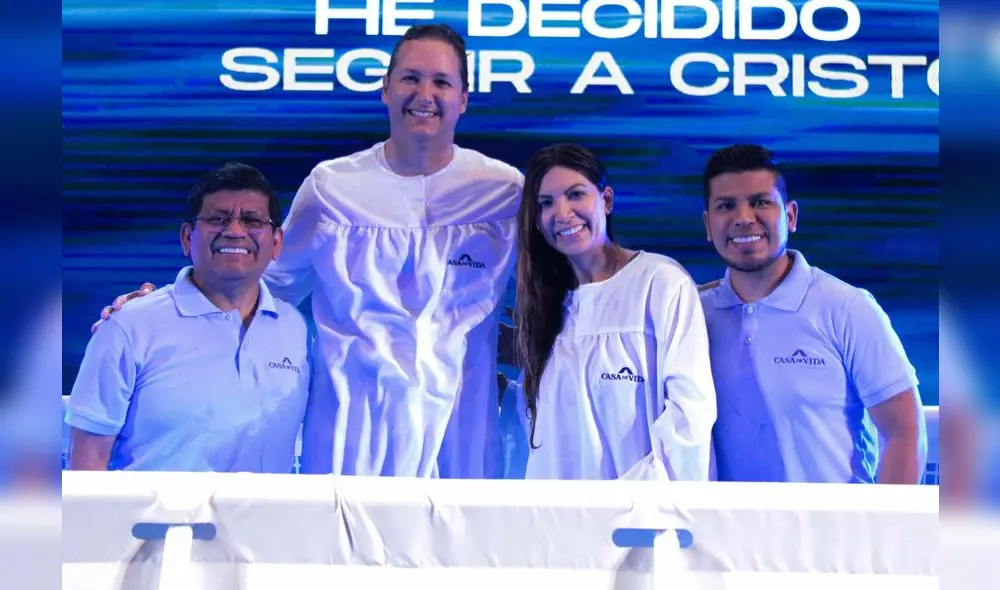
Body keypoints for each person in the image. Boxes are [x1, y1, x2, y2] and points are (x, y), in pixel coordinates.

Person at [90, 24, 523, 478]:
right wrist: (153, 315)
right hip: (348, 438)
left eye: (441, 82)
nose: (424, 93)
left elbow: (550, 292)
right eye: (411, 78)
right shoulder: (333, 186)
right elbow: (258, 286)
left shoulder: (502, 191)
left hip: (461, 436)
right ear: (386, 89)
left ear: (464, 98)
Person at [698, 144, 926, 484]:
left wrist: (885, 533)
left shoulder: (846, 308)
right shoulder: (693, 313)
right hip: (727, 534)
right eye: (726, 206)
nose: (744, 218)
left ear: (790, 215)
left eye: (760, 202)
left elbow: (903, 430)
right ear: (708, 224)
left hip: (839, 534)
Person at [66, 163, 311, 472]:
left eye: (252, 220)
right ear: (186, 237)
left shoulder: (297, 331)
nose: (235, 231)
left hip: (268, 521)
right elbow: (86, 464)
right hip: (150, 521)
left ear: (276, 242)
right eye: (218, 218)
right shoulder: (128, 326)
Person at [502, 143, 717, 481]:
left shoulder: (660, 282)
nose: (561, 213)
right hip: (560, 523)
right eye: (546, 203)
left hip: (642, 521)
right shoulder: (544, 307)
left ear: (606, 200)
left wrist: (626, 507)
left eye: (575, 194)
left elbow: (690, 418)